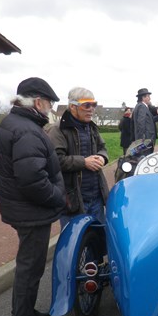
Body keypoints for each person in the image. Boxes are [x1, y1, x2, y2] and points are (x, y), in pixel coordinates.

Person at [0, 77, 65, 316]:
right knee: (30, 268)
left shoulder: (17, 124)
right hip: (31, 211)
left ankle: (22, 314)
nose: (50, 109)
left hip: (24, 209)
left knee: (28, 267)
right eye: (49, 103)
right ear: (38, 102)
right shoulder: (26, 130)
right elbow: (33, 180)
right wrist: (58, 196)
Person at [48, 87, 109, 228]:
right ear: (73, 107)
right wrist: (84, 162)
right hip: (73, 200)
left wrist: (102, 157)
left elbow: (103, 148)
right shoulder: (58, 130)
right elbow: (55, 160)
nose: (91, 109)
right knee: (75, 244)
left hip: (96, 197)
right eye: (86, 105)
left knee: (98, 240)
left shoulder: (92, 127)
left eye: (94, 104)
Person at [133, 88, 158, 154]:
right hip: (146, 140)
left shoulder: (143, 107)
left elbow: (149, 121)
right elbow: (141, 123)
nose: (150, 98)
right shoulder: (141, 107)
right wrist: (142, 140)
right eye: (148, 96)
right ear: (143, 98)